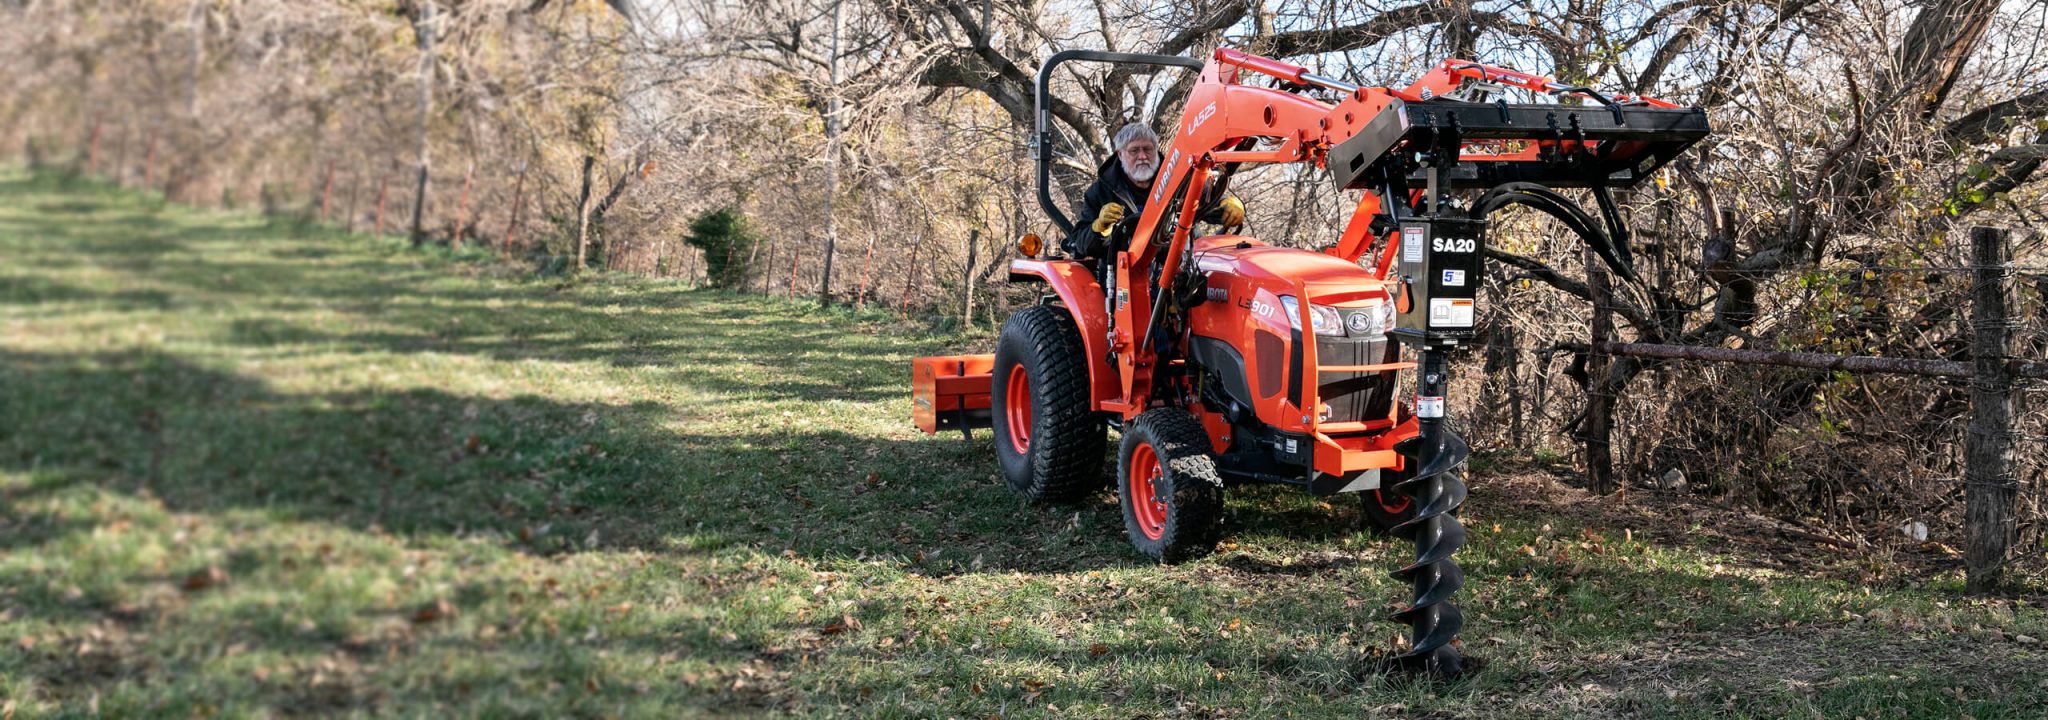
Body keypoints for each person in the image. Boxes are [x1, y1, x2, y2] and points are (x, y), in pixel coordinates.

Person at [1062, 122, 1244, 262]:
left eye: (1148, 149)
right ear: (1120, 154)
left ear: (1156, 150)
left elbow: (1206, 202)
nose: (1142, 156)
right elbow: (1081, 245)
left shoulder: (1179, 178)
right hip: (1124, 272)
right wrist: (1099, 227)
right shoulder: (1101, 191)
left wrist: (1227, 205)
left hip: (1179, 264)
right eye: (1134, 151)